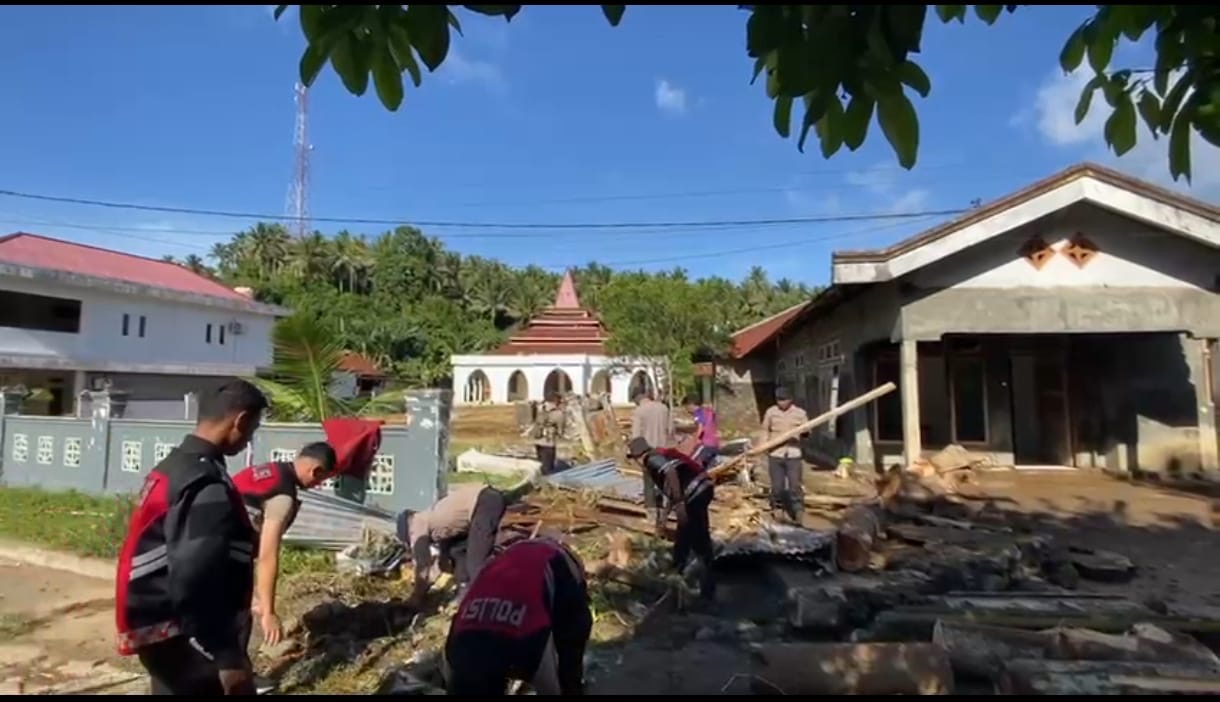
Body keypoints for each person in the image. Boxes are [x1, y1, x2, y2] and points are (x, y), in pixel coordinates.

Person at [115, 379, 268, 696]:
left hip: (157, 624)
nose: (249, 439)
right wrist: (225, 653)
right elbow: (196, 574)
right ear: (240, 421)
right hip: (186, 634)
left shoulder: (174, 466)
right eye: (252, 429)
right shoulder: (205, 481)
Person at [443, 537, 593, 695]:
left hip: (556, 559)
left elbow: (552, 688)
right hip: (512, 559)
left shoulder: (528, 646)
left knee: (570, 655)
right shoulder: (454, 651)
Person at [231, 442, 337, 650]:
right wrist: (269, 612)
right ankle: (232, 668)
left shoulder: (270, 471)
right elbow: (267, 555)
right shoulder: (282, 497)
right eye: (321, 480)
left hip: (199, 543)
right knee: (235, 625)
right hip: (223, 555)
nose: (317, 485)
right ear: (315, 471)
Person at [626, 436, 716, 599]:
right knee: (687, 533)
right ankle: (682, 571)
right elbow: (670, 489)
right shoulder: (661, 455)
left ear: (638, 456)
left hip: (695, 492)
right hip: (703, 488)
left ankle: (701, 583)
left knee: (695, 537)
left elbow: (670, 471)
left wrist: (680, 503)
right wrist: (664, 517)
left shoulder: (651, 459)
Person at [399, 482, 508, 605]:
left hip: (483, 502)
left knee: (476, 563)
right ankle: (465, 595)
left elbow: (422, 565)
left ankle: (490, 601)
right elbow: (443, 562)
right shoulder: (437, 523)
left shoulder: (416, 524)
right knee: (457, 553)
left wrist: (416, 596)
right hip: (481, 502)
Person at [762, 386, 809, 522]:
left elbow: (807, 432)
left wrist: (804, 432)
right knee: (777, 486)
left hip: (794, 454)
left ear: (790, 399)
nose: (781, 402)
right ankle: (777, 507)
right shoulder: (771, 412)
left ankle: (798, 510)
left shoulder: (800, 413)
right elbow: (764, 430)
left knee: (795, 485)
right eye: (779, 400)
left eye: (784, 400)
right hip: (775, 454)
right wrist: (762, 445)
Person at [629, 389, 672, 525]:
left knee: (649, 482)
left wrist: (635, 454)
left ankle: (652, 515)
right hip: (663, 449)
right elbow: (671, 430)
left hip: (647, 451)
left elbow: (636, 436)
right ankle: (665, 509)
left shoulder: (639, 411)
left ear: (637, 399)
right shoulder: (664, 408)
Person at [681, 394, 721, 470]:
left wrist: (696, 440)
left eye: (686, 407)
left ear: (691, 405)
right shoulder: (708, 411)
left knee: (691, 461)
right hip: (715, 444)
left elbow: (700, 428)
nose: (687, 410)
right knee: (709, 467)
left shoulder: (698, 413)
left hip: (706, 444)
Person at [531, 393, 566, 476]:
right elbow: (560, 431)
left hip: (538, 439)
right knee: (548, 467)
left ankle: (540, 477)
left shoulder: (539, 409)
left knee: (540, 463)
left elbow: (534, 421)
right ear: (556, 401)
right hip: (549, 442)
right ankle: (546, 480)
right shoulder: (559, 413)